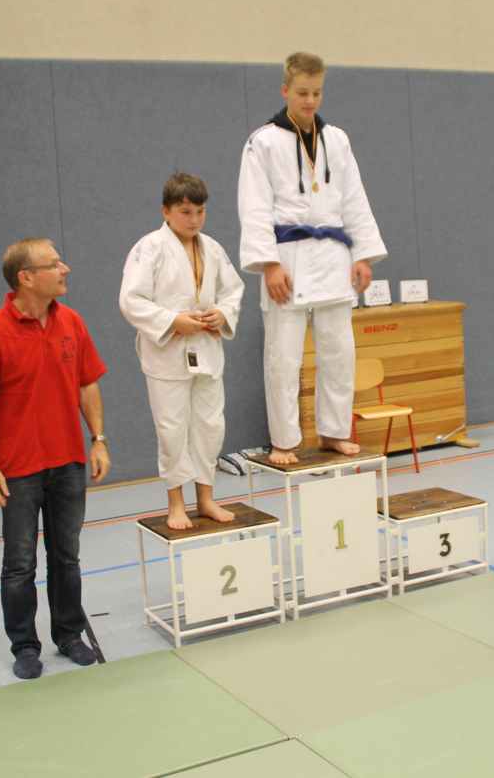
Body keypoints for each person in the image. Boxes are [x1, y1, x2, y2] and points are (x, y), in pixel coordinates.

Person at [0, 237, 110, 680]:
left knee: (67, 556)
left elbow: (87, 383)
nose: (65, 269)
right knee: (20, 563)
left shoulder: (72, 322)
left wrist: (98, 439)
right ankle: (24, 645)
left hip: (68, 463)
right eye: (54, 264)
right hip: (18, 470)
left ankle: (69, 634)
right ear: (26, 277)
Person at [237, 51, 388, 465]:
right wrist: (268, 264)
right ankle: (284, 440)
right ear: (285, 90)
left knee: (339, 352)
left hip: (334, 256)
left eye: (317, 93)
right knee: (283, 358)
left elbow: (354, 199)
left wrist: (363, 255)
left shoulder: (336, 139)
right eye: (302, 92)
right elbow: (253, 206)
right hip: (287, 259)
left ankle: (334, 432)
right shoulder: (263, 142)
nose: (310, 100)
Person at [120, 173, 245, 530]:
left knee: (210, 426)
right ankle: (176, 502)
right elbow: (131, 300)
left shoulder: (213, 248)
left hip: (206, 348)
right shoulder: (149, 248)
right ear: (166, 211)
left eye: (200, 212)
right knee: (172, 429)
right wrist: (173, 320)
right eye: (186, 212)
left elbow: (233, 290)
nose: (194, 220)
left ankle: (206, 498)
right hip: (168, 354)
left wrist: (222, 313)